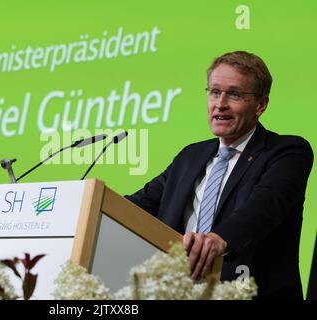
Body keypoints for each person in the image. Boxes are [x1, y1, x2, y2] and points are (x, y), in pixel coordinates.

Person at [125, 51, 313, 299]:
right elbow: (139, 204)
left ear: (261, 105)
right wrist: (86, 204)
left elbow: (265, 206)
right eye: (214, 92)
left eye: (234, 94)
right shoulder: (190, 156)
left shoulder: (286, 152)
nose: (220, 104)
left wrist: (218, 238)